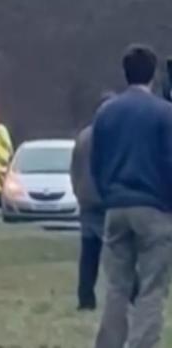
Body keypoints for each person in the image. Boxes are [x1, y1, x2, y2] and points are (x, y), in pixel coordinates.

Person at [92, 44, 172, 348]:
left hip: (115, 207)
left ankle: (109, 343)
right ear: (153, 74)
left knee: (117, 286)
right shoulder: (164, 113)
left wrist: (107, 195)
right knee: (152, 287)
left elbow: (96, 162)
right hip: (154, 208)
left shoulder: (106, 112)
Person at [71, 91, 115, 311]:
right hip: (107, 201)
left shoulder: (84, 136)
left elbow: (74, 168)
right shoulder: (113, 135)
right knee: (117, 252)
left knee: (89, 253)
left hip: (87, 201)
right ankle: (130, 294)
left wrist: (78, 192)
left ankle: (85, 298)